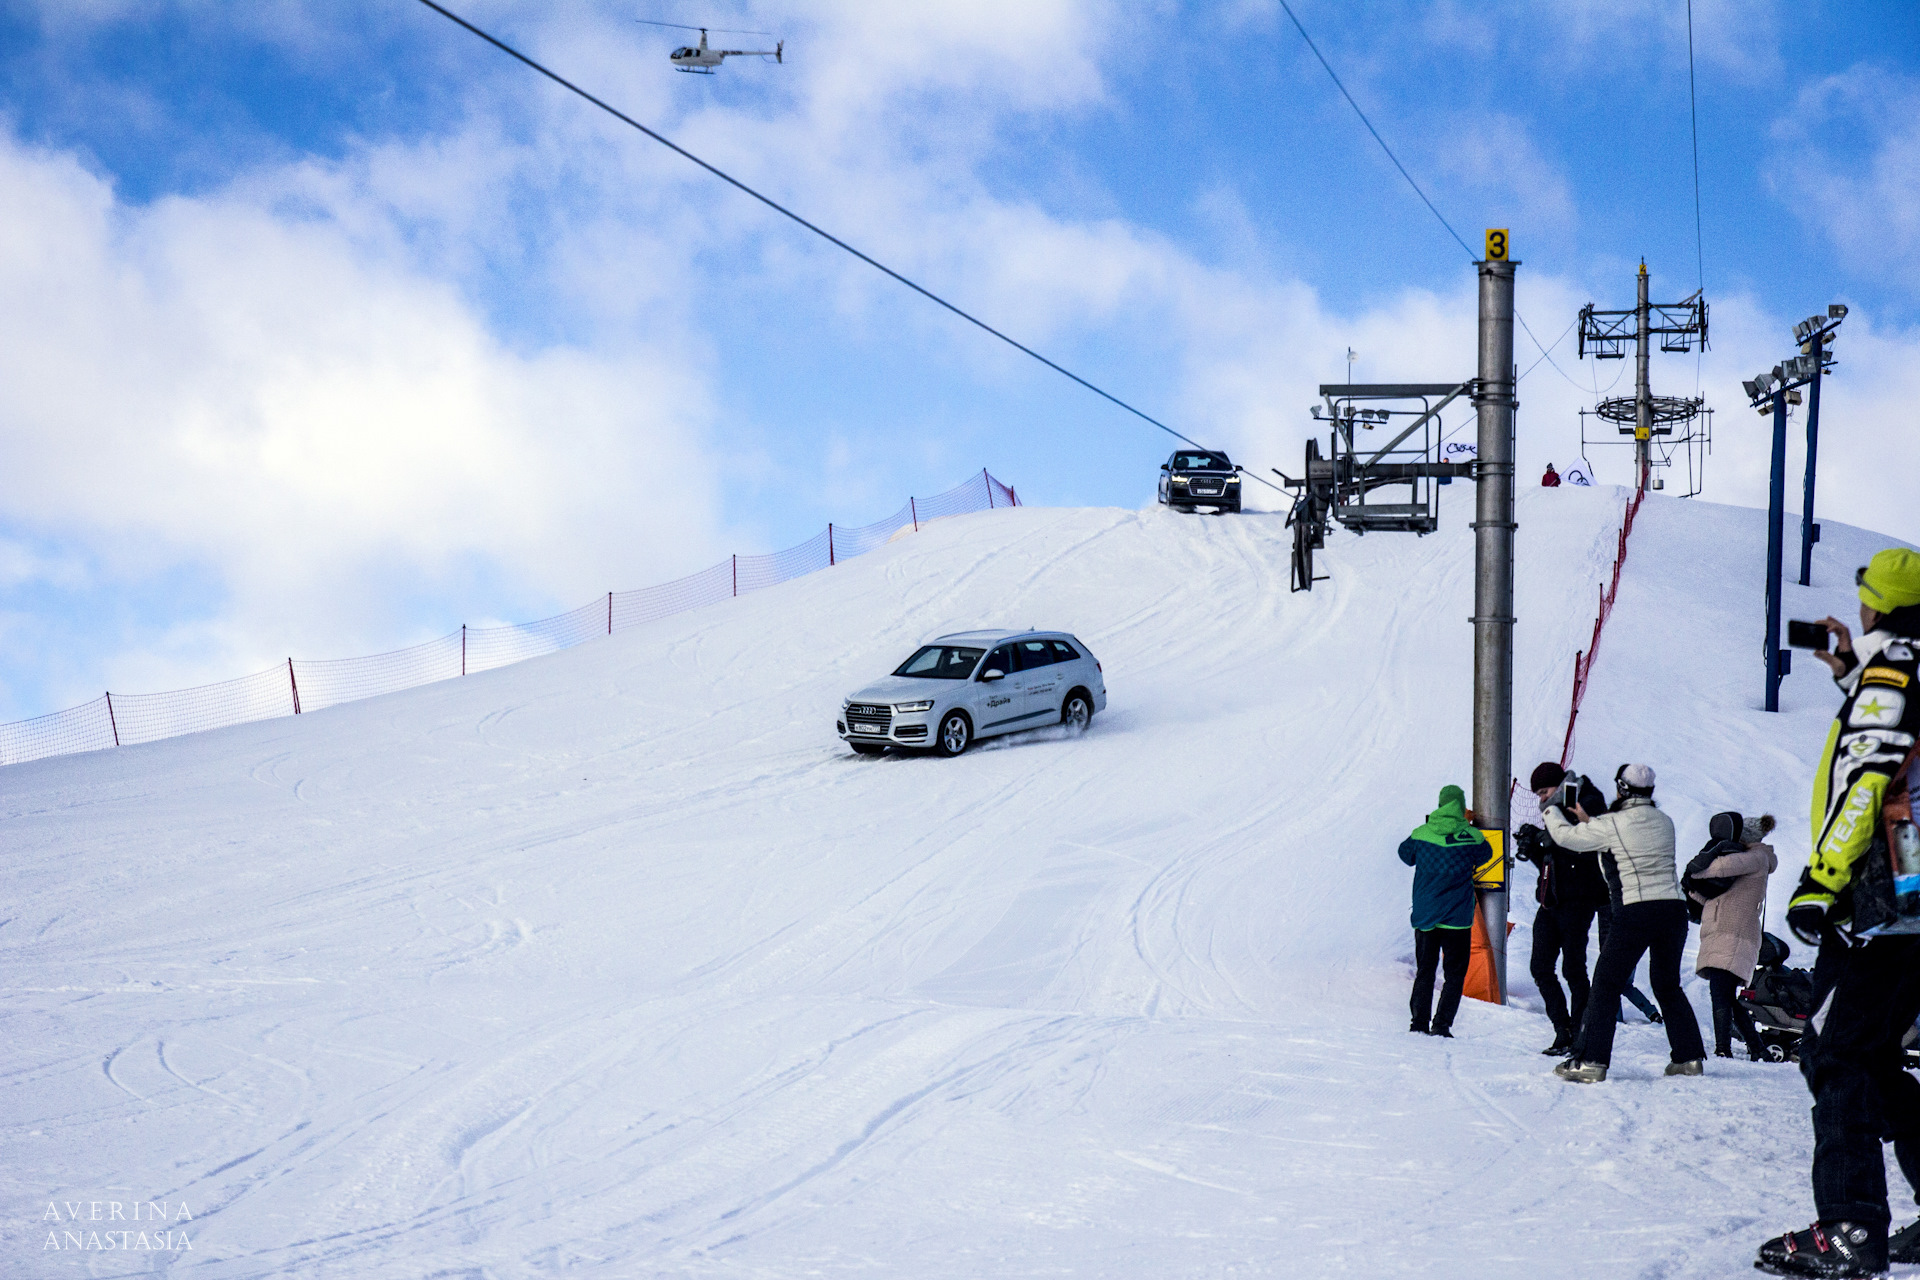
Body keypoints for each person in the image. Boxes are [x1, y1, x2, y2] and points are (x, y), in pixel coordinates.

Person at [1757, 549, 1920, 1278]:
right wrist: (1849, 671)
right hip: (1910, 898)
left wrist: (1822, 879)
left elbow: (1869, 777)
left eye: (1863, 596)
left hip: (1881, 899)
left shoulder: (1891, 676)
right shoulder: (1901, 669)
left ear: (1877, 603)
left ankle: (1851, 1226)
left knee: (1836, 1053)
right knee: (1874, 1054)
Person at [1545, 763, 1706, 1083]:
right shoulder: (1665, 821)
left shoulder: (1613, 823)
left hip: (1636, 911)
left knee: (1605, 986)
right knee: (1667, 985)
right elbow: (1630, 840)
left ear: (1621, 789)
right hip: (1673, 911)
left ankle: (1590, 1062)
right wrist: (1592, 823)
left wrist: (1551, 809)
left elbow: (1567, 838)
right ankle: (1688, 1058)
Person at [1515, 763, 1610, 1055]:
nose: (1542, 799)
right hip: (1551, 899)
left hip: (1579, 899)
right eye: (1538, 795)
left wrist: (1550, 843)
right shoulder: (1555, 807)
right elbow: (1552, 861)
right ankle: (1562, 1029)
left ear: (1560, 783)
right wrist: (1534, 847)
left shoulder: (1583, 800)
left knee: (1573, 969)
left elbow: (1588, 849)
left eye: (1545, 791)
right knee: (1540, 967)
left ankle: (1579, 1032)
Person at [1683, 811, 1777, 1061]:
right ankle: (1758, 1049)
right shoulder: (1755, 859)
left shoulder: (1755, 857)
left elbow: (1720, 867)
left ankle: (1723, 1048)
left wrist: (1695, 869)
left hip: (1733, 933)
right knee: (1727, 996)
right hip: (1728, 930)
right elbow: (1724, 899)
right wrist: (1693, 894)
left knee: (1720, 992)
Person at [1398, 784, 1486, 1038]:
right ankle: (1442, 1025)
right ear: (1461, 806)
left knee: (1425, 970)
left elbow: (1405, 855)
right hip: (1457, 918)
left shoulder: (1422, 833)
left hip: (1426, 916)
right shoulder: (1472, 836)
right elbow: (1486, 855)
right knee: (1455, 974)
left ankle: (1418, 1024)